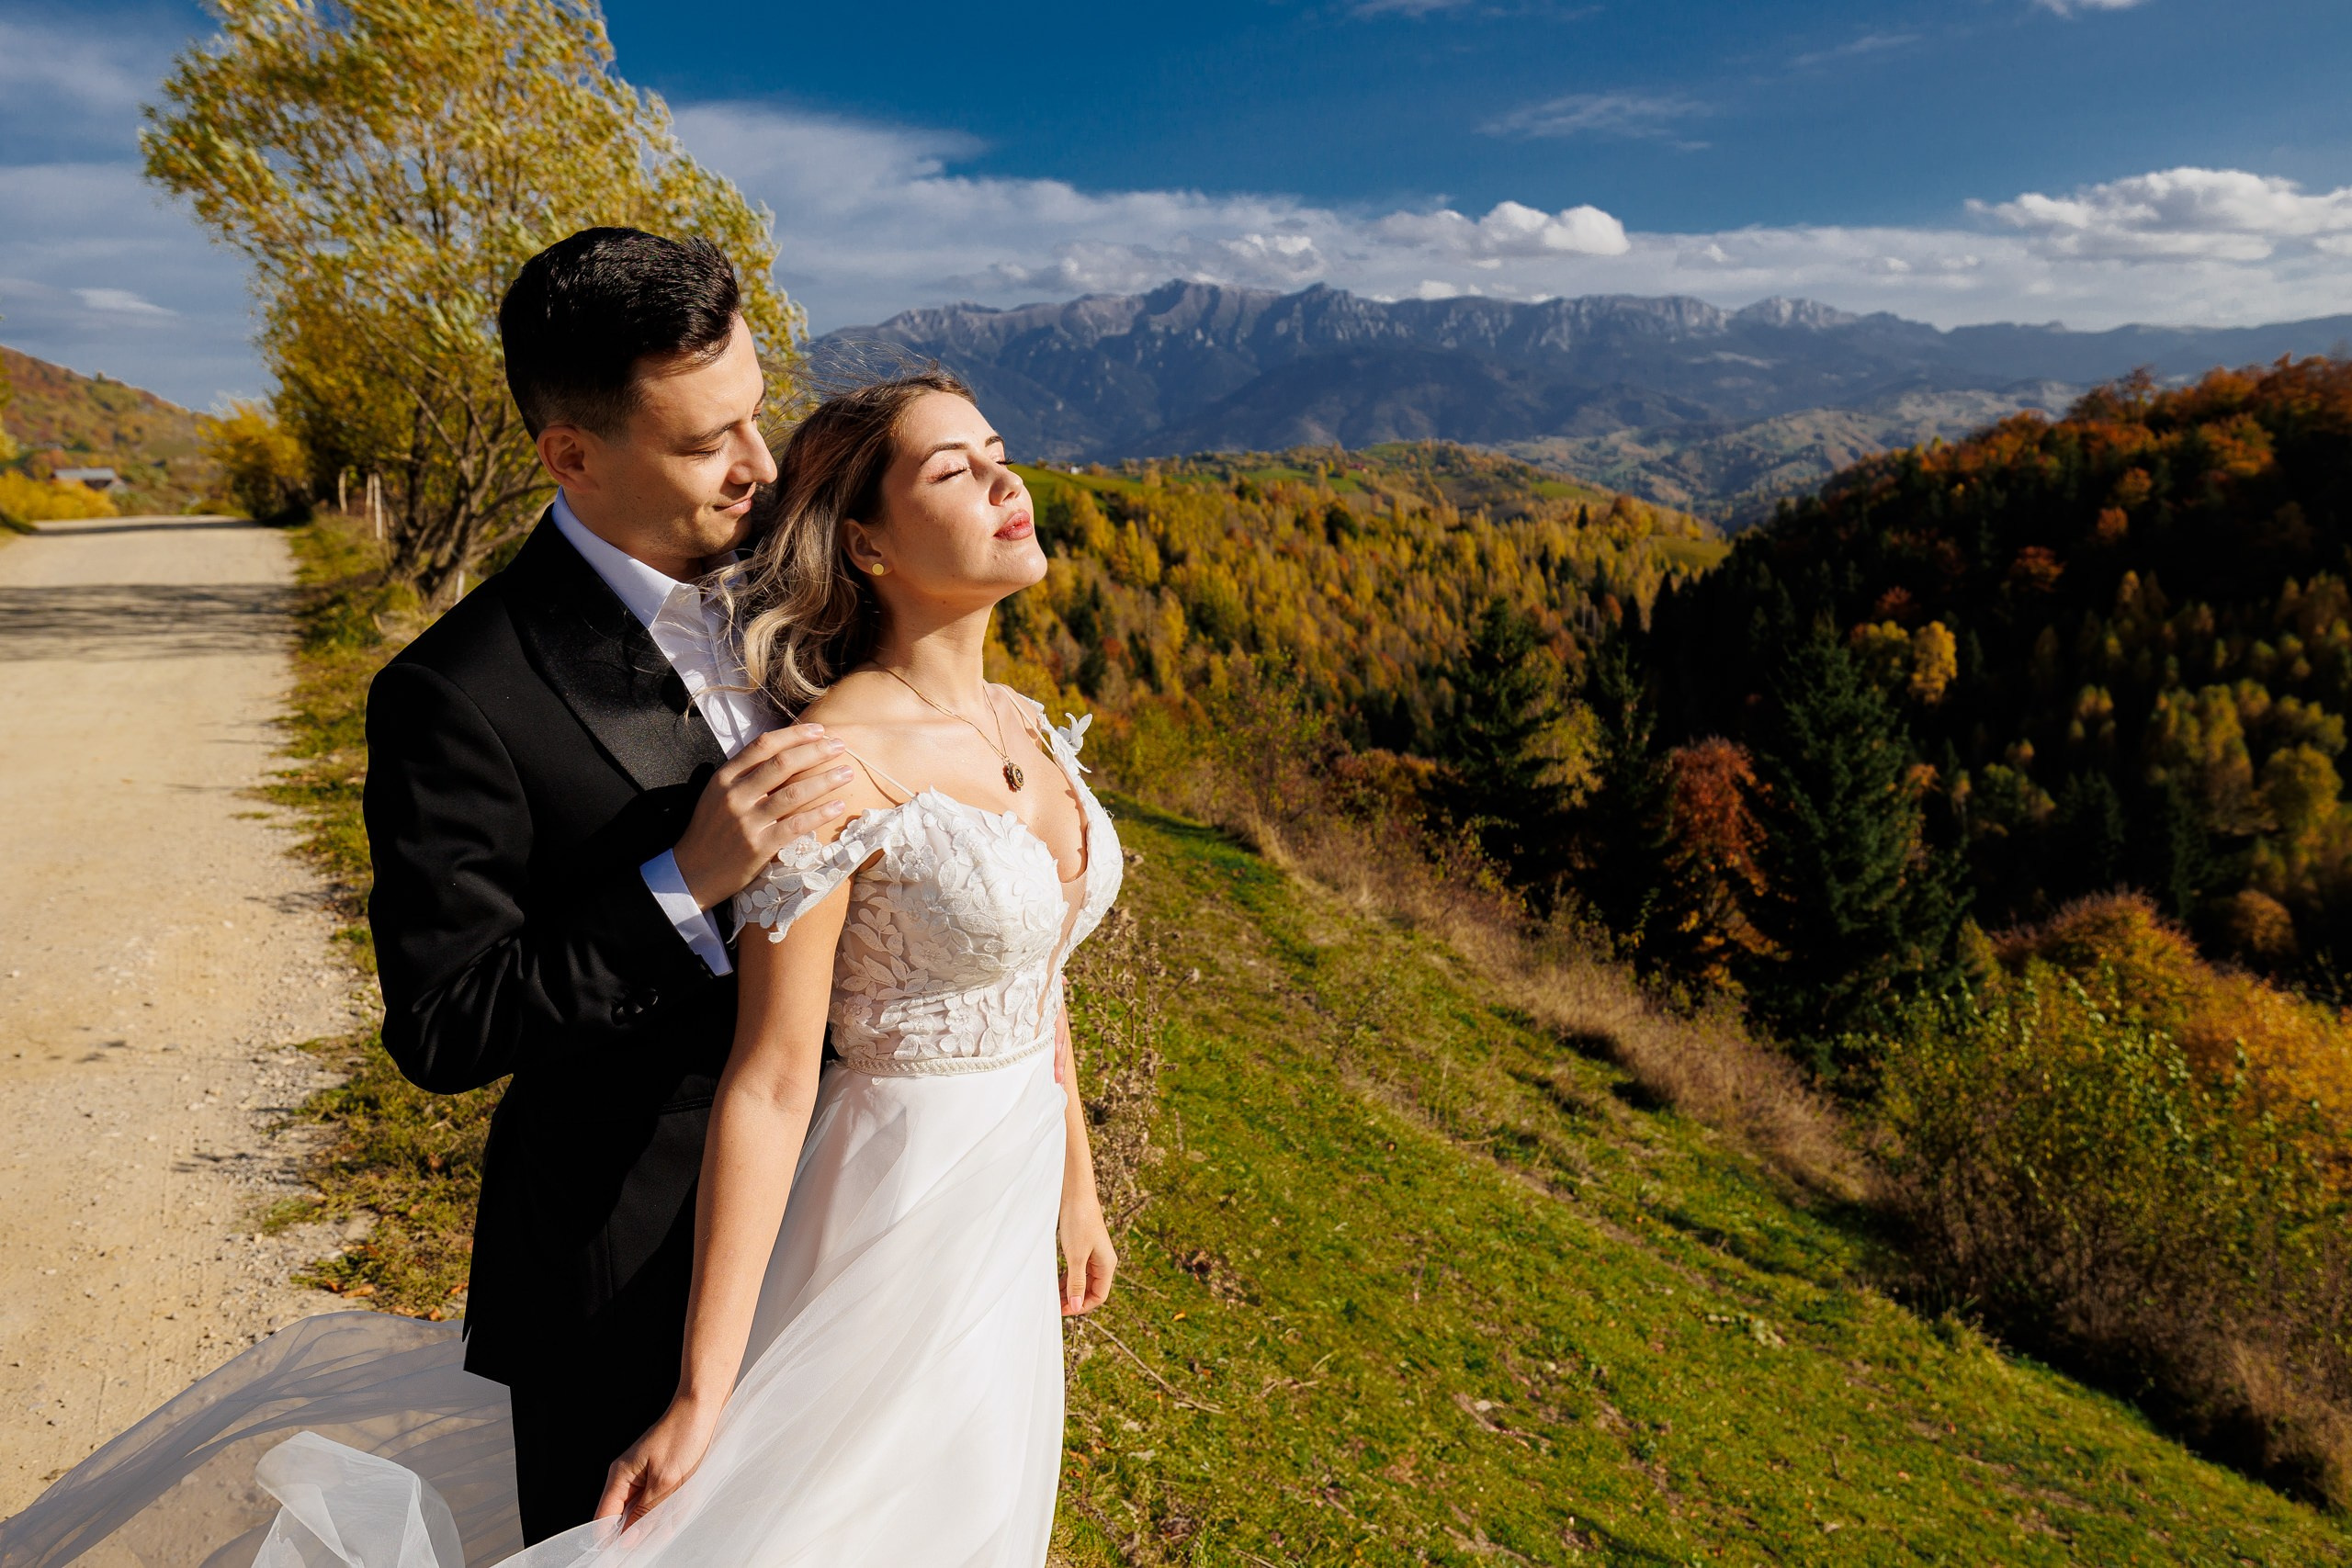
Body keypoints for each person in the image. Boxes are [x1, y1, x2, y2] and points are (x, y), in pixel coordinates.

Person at [361, 228, 855, 1543]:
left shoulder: (809, 583)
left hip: (853, 1228)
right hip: (629, 1271)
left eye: (758, 411)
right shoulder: (455, 694)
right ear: (570, 457)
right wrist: (682, 881)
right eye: (708, 442)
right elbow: (446, 1024)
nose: (759, 464)